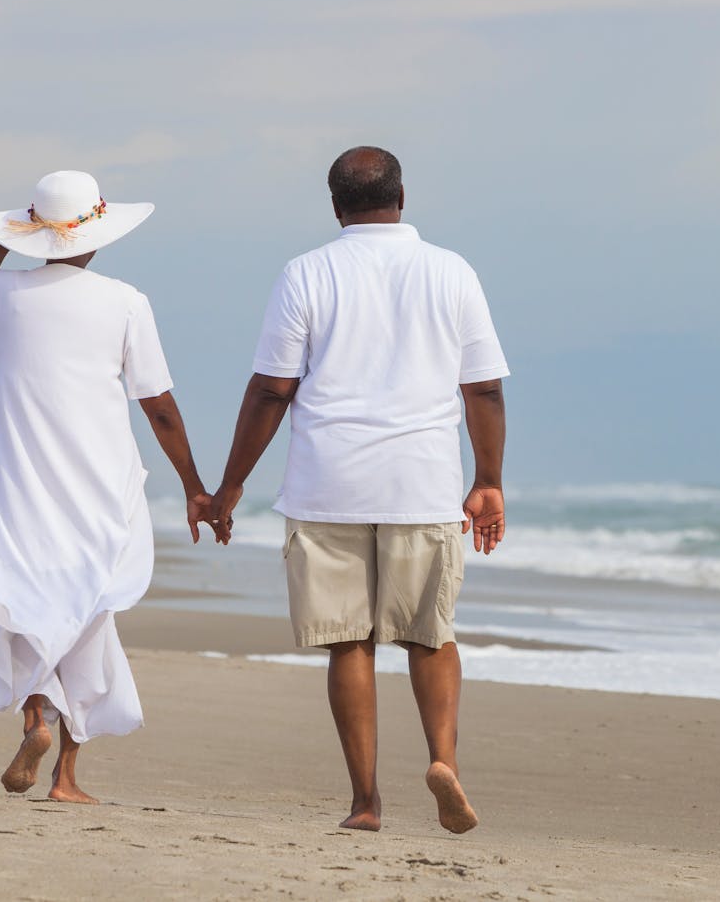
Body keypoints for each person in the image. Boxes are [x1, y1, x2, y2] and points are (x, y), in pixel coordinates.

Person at [0, 170, 211, 804]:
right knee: (88, 610)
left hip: (20, 478)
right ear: (97, 233)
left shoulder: (3, 293)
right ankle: (68, 780)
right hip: (101, 483)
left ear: (34, 233)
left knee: (21, 602)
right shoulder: (125, 300)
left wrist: (6, 245)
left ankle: (35, 720)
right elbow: (158, 404)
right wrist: (195, 486)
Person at [209, 146, 508, 833]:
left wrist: (230, 485)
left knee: (350, 642)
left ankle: (365, 801)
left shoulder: (306, 273)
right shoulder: (450, 271)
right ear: (402, 196)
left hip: (327, 482)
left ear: (336, 205)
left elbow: (272, 390)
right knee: (430, 636)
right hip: (423, 480)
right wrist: (487, 479)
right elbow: (483, 387)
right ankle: (443, 762)